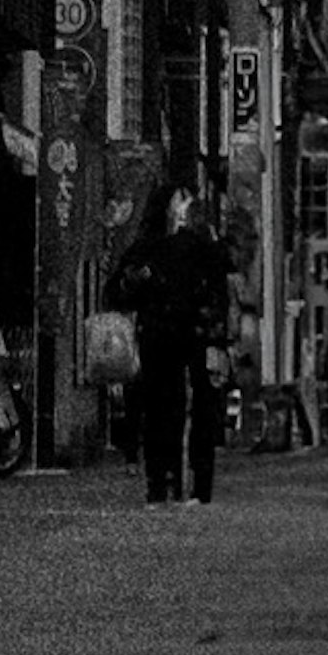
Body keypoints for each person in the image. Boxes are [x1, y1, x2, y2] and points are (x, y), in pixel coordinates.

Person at [122, 181, 238, 505]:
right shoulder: (148, 246)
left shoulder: (200, 244)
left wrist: (217, 329)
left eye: (186, 202)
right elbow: (119, 288)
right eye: (178, 202)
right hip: (160, 335)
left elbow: (222, 277)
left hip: (197, 334)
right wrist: (136, 280)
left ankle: (200, 487)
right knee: (161, 410)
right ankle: (160, 483)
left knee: (203, 408)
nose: (183, 209)